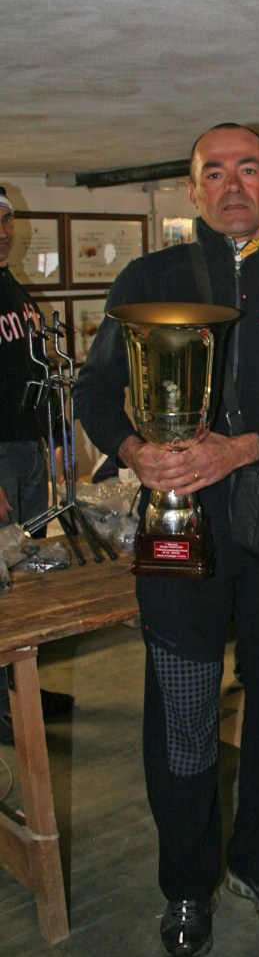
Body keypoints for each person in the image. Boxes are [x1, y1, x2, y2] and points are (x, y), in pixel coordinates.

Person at [73, 124, 259, 957]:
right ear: (192, 189)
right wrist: (132, 449)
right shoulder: (148, 277)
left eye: (249, 170)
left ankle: (258, 857)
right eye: (214, 171)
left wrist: (245, 447)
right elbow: (94, 390)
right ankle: (188, 885)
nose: (233, 184)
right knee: (186, 717)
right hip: (177, 536)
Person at [0, 187, 74, 745]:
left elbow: (29, 369)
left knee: (24, 579)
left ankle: (21, 689)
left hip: (25, 452)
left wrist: (53, 434)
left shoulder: (11, 287)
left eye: (7, 218)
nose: (3, 230)